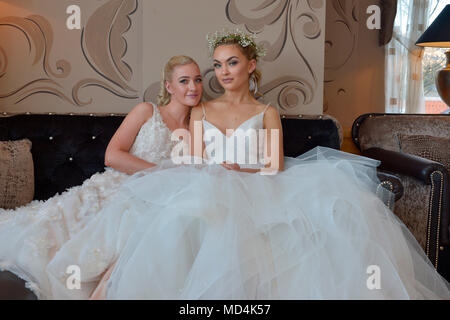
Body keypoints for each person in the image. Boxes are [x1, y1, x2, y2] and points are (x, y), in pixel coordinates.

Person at [48, 30, 450, 299]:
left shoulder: (267, 111)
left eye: (232, 63)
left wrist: (248, 172)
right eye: (218, 65)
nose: (223, 72)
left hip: (261, 183)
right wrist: (214, 170)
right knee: (187, 218)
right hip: (210, 180)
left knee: (330, 219)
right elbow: (197, 159)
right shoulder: (201, 109)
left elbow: (274, 164)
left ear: (251, 65)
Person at [0, 55, 203, 299]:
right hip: (119, 186)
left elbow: (196, 171)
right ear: (169, 86)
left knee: (156, 223)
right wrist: (159, 173)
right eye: (184, 81)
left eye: (197, 80)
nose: (193, 87)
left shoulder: (199, 126)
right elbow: (112, 156)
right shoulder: (147, 111)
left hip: (160, 196)